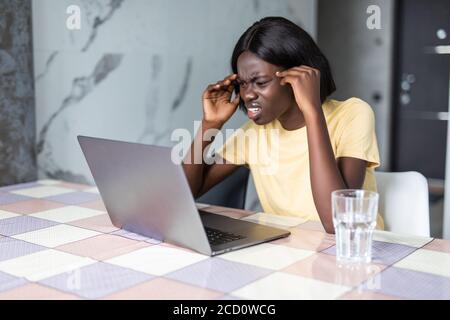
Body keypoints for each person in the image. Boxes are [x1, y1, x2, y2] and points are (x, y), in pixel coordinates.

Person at [182, 16, 383, 234]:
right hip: (289, 251)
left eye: (260, 82)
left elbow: (337, 223)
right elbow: (183, 195)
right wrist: (209, 124)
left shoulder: (352, 114)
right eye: (242, 84)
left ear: (298, 77)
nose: (248, 94)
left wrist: (312, 110)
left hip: (353, 251)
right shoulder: (254, 134)